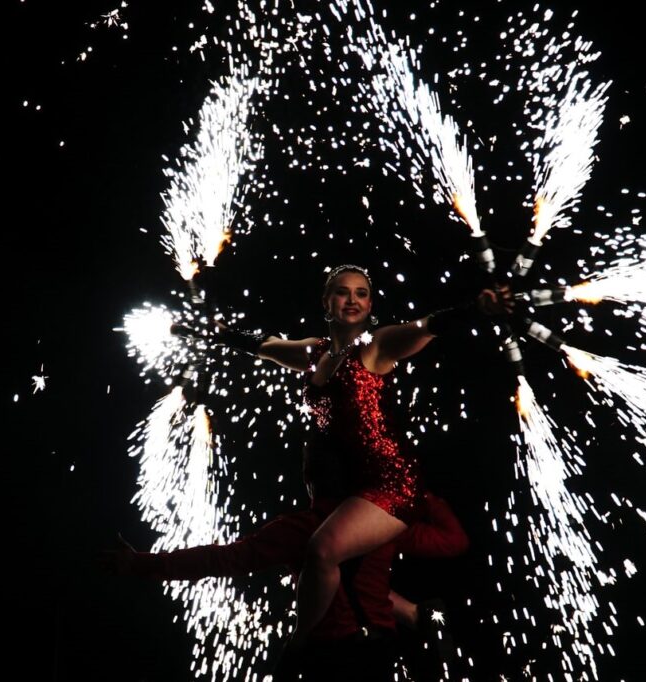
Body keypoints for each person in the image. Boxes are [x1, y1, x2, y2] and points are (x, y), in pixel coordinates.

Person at [218, 264, 511, 676]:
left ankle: (297, 644)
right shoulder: (314, 352)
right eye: (342, 292)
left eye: (361, 293)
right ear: (327, 302)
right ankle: (417, 617)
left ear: (370, 304)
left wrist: (475, 309)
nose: (352, 300)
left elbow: (425, 327)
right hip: (350, 487)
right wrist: (221, 334)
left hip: (391, 484)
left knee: (321, 551)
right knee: (351, 573)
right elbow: (266, 345)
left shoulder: (376, 347)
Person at [105, 490, 469, 681]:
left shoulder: (299, 529)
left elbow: (220, 560)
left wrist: (142, 564)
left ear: (313, 480)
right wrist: (418, 491)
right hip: (379, 654)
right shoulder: (385, 525)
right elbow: (455, 541)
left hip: (332, 658)